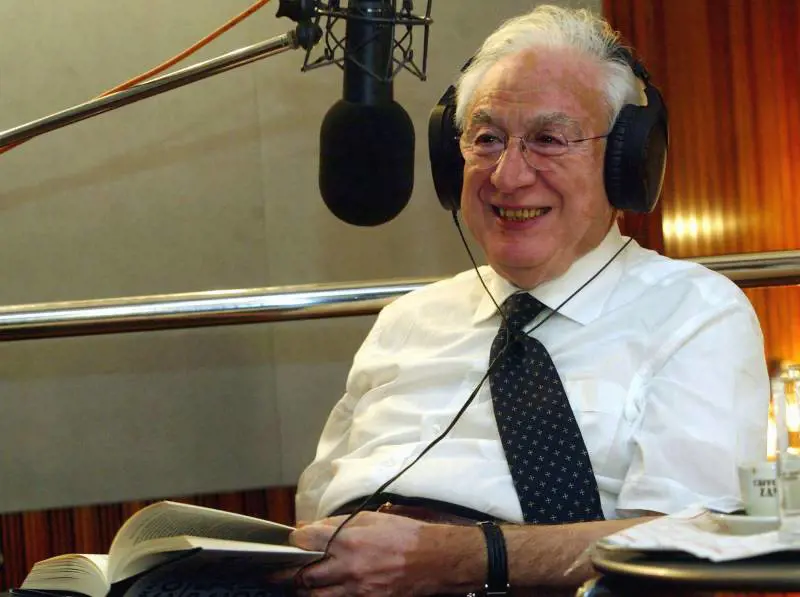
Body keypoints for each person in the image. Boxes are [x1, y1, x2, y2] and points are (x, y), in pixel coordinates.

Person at [286, 5, 769, 596]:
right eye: (487, 139)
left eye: (548, 140)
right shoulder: (405, 321)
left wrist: (459, 558)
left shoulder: (695, 312)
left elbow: (694, 540)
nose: (508, 176)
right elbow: (313, 508)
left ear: (627, 161)